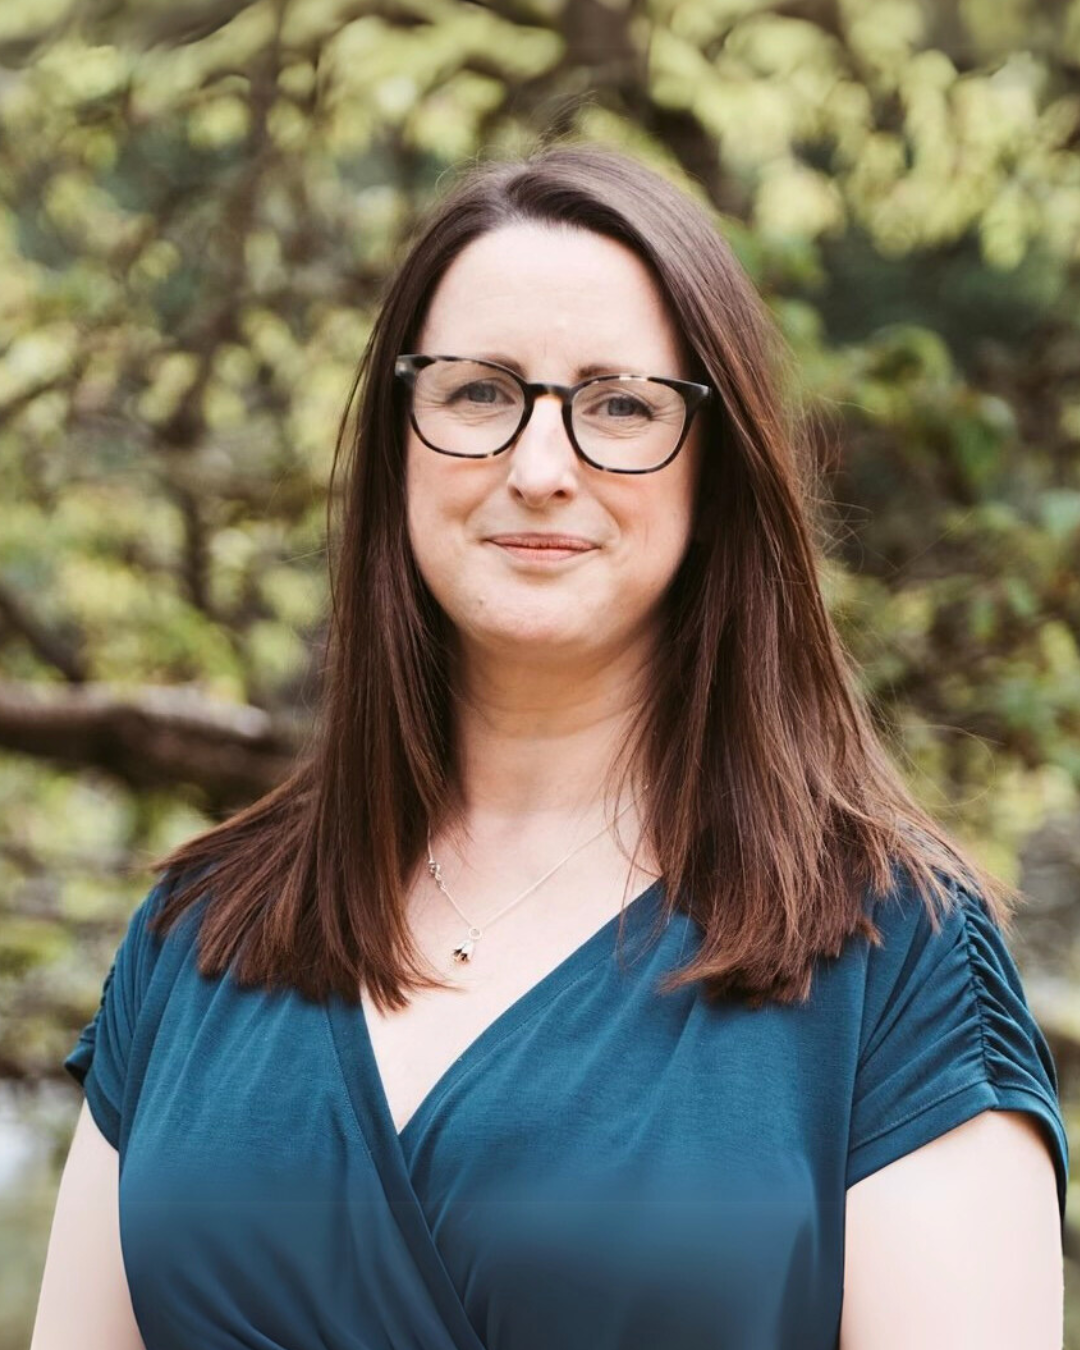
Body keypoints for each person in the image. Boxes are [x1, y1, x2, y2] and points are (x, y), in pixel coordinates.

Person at [31, 141, 1067, 1350]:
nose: (537, 468)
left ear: (719, 470)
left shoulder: (896, 957)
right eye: (478, 392)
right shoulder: (194, 937)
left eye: (619, 405)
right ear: (397, 439)